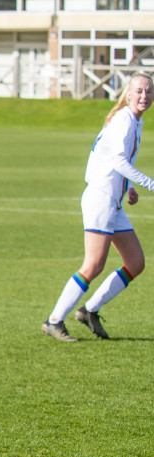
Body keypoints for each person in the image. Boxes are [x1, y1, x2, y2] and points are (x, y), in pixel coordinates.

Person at [43, 72, 154, 342]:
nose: (144, 96)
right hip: (101, 198)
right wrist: (149, 183)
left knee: (135, 263)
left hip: (112, 201)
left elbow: (114, 159)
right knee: (93, 264)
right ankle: (54, 321)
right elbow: (117, 160)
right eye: (139, 91)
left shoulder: (134, 121)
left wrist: (128, 186)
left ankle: (89, 310)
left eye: (148, 92)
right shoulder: (124, 120)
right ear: (128, 94)